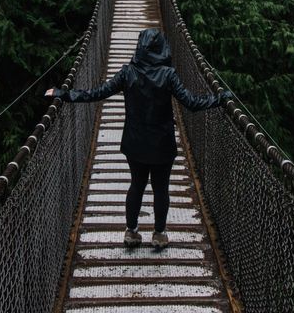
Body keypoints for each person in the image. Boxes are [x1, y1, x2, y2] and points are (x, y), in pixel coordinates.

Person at [45, 28, 232, 250]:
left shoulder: (128, 72)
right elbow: (191, 103)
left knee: (137, 185)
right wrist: (220, 98)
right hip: (162, 144)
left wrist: (64, 94)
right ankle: (159, 234)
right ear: (162, 48)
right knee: (161, 188)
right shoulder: (168, 75)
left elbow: (98, 93)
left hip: (135, 142)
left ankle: (131, 231)